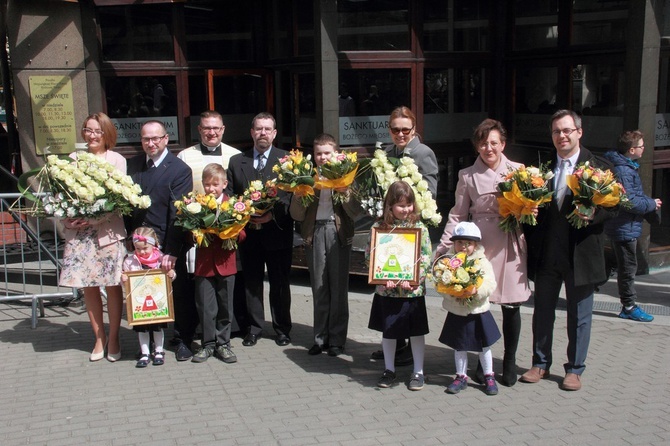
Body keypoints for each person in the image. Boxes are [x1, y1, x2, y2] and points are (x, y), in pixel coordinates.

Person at [520, 109, 616, 391]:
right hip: (548, 253)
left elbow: (616, 206)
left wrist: (594, 215)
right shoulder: (542, 166)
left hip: (581, 256)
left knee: (580, 315)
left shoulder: (598, 167)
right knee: (542, 312)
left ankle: (574, 369)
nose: (561, 136)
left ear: (579, 132)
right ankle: (540, 363)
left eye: (566, 130)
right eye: (556, 132)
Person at [435, 118, 531, 387]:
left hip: (510, 241)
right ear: (477, 145)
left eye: (494, 143)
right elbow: (457, 214)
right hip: (478, 246)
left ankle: (509, 360)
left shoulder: (519, 171)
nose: (488, 148)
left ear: (503, 144)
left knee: (512, 306)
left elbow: (530, 210)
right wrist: (444, 247)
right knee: (477, 306)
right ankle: (481, 362)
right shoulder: (467, 175)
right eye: (483, 143)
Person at [372, 106, 439, 366]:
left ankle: (410, 347)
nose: (400, 134)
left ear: (414, 129)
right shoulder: (386, 154)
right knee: (391, 287)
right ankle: (394, 342)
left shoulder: (424, 153)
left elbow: (429, 191)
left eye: (405, 129)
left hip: (412, 229)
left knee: (409, 289)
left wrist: (408, 209)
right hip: (390, 229)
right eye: (395, 129)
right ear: (389, 130)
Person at [59, 112, 127, 362]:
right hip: (80, 235)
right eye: (88, 130)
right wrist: (67, 217)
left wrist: (95, 218)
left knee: (112, 284)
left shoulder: (117, 160)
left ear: (107, 133)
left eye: (98, 131)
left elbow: (121, 198)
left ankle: (115, 336)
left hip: (107, 232)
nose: (92, 135)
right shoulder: (74, 159)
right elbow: (63, 196)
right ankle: (98, 337)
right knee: (89, 286)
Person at [126, 120, 194, 361]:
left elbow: (177, 214)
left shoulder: (179, 169)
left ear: (166, 139)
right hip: (138, 246)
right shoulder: (132, 165)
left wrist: (171, 251)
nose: (151, 143)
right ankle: (149, 345)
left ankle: (183, 339)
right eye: (146, 139)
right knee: (144, 294)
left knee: (179, 293)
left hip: (167, 245)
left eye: (156, 138)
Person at [226, 112, 293, 347]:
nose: (263, 133)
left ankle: (282, 328)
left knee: (280, 284)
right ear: (252, 132)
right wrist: (245, 214)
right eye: (258, 129)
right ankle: (254, 328)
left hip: (278, 232)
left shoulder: (286, 160)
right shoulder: (237, 161)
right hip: (249, 235)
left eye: (267, 129)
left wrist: (270, 215)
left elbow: (291, 196)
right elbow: (231, 195)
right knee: (252, 283)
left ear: (274, 134)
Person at [289, 134, 359, 357]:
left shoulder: (346, 175)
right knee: (319, 288)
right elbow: (296, 215)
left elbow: (356, 211)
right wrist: (300, 195)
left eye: (327, 152)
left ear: (336, 153)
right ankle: (320, 339)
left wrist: (345, 192)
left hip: (338, 233)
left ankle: (337, 340)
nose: (323, 157)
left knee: (338, 289)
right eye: (319, 153)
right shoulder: (306, 176)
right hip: (315, 232)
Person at [177, 111, 243, 333]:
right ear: (199, 130)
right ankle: (200, 328)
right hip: (199, 234)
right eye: (207, 128)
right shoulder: (185, 156)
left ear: (223, 129)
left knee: (227, 285)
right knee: (200, 284)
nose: (211, 132)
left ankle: (227, 329)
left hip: (227, 232)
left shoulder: (235, 156)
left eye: (216, 128)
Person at [367, 181, 432, 391]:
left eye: (409, 204)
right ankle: (389, 369)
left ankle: (419, 371)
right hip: (388, 291)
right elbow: (371, 256)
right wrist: (381, 277)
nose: (406, 209)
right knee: (389, 331)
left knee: (416, 331)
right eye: (401, 205)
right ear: (390, 206)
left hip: (412, 292)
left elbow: (426, 257)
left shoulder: (419, 227)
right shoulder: (378, 228)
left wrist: (415, 279)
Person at [603, 130, 661, 322]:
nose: (644, 149)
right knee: (628, 268)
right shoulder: (624, 170)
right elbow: (629, 200)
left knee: (617, 263)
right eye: (642, 146)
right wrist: (651, 204)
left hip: (625, 226)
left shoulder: (627, 167)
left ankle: (589, 285)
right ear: (631, 149)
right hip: (624, 226)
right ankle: (628, 306)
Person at [191, 164, 245, 364]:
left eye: (215, 184)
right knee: (205, 306)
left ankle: (224, 344)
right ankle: (207, 344)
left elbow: (243, 231)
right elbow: (189, 232)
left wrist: (231, 234)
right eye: (207, 185)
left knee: (225, 305)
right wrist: (195, 233)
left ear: (225, 184)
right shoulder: (196, 205)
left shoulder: (234, 205)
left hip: (226, 262)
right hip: (204, 265)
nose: (211, 189)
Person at [438, 222, 500, 396]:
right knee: (459, 346)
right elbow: (440, 282)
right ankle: (461, 376)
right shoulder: (448, 262)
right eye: (460, 243)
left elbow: (490, 283)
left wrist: (476, 291)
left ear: (476, 245)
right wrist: (453, 293)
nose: (464, 247)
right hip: (458, 310)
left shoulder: (482, 261)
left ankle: (489, 376)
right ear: (454, 243)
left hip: (478, 312)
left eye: (468, 243)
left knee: (484, 346)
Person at [121, 227, 175, 368]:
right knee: (142, 329)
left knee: (157, 327)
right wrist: (124, 278)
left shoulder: (161, 259)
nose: (142, 252)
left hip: (157, 302)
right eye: (138, 249)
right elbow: (126, 281)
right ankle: (145, 352)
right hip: (140, 305)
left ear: (154, 245)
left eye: (145, 248)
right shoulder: (130, 261)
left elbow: (169, 277)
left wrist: (171, 274)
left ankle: (159, 351)